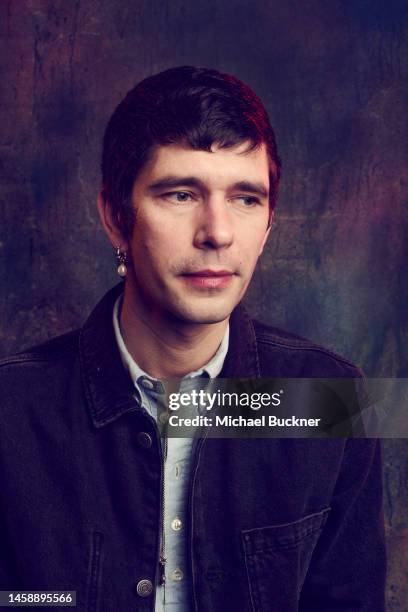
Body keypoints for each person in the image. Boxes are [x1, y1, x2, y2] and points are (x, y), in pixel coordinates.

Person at [0, 66, 385, 611]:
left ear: (270, 222)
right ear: (115, 216)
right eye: (181, 194)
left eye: (246, 198)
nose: (218, 232)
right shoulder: (12, 411)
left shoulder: (328, 398)